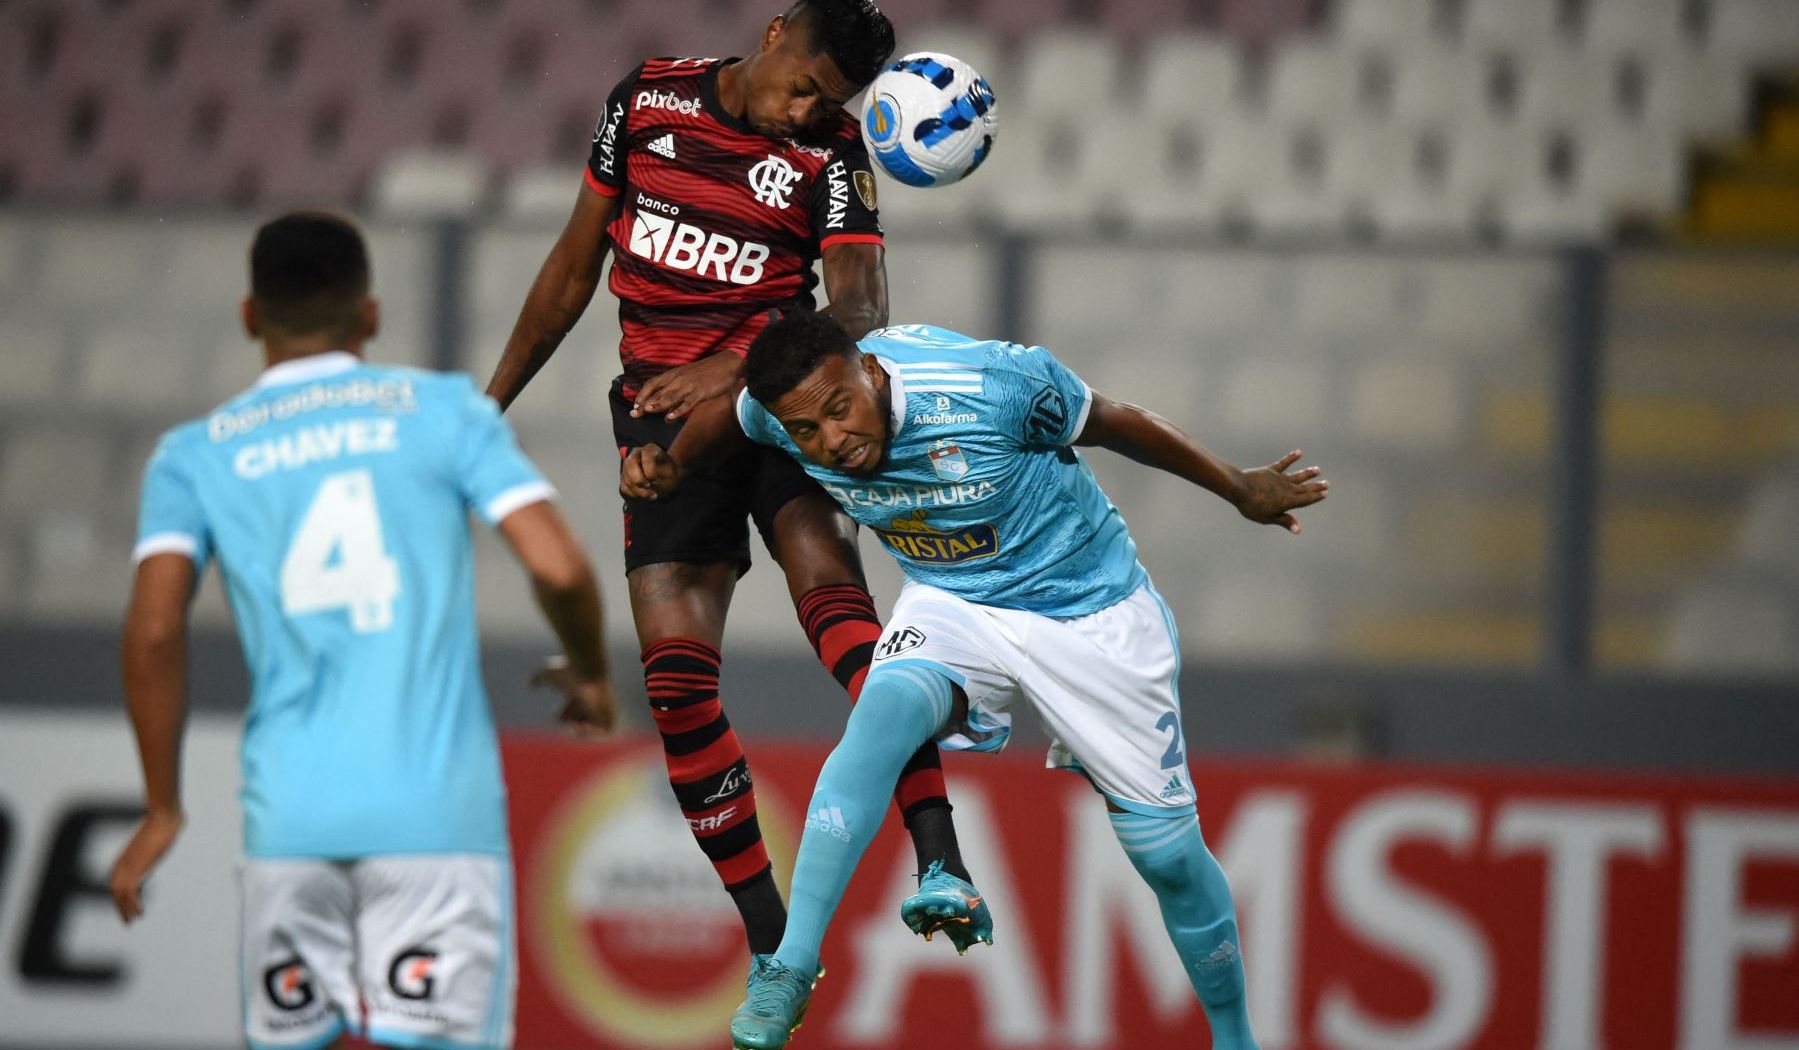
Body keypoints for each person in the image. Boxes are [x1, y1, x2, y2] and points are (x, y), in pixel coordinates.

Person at [622, 314, 1330, 1050]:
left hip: (1087, 612)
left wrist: (1238, 488)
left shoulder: (994, 388)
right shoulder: (779, 415)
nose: (831, 440)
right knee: (880, 717)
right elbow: (726, 422)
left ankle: (1234, 1036)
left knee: (1166, 859)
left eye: (840, 408)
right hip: (954, 601)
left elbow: (1115, 421)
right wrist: (670, 465)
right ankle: (789, 965)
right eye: (806, 431)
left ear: (867, 370)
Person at [483, 0, 982, 959]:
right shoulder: (646, 101)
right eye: (803, 86)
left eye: (826, 101)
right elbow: (569, 267)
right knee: (674, 689)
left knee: (847, 632)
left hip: (777, 414)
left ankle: (940, 859)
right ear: (773, 35)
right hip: (661, 427)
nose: (806, 111)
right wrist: (488, 404)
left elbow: (862, 306)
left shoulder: (834, 154)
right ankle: (772, 944)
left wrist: (737, 365)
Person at [108, 211, 616, 1050]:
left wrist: (162, 807)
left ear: (249, 316)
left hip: (289, 825)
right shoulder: (444, 412)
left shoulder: (193, 454)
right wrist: (592, 672)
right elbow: (558, 567)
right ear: (370, 315)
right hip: (435, 826)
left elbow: (155, 629)